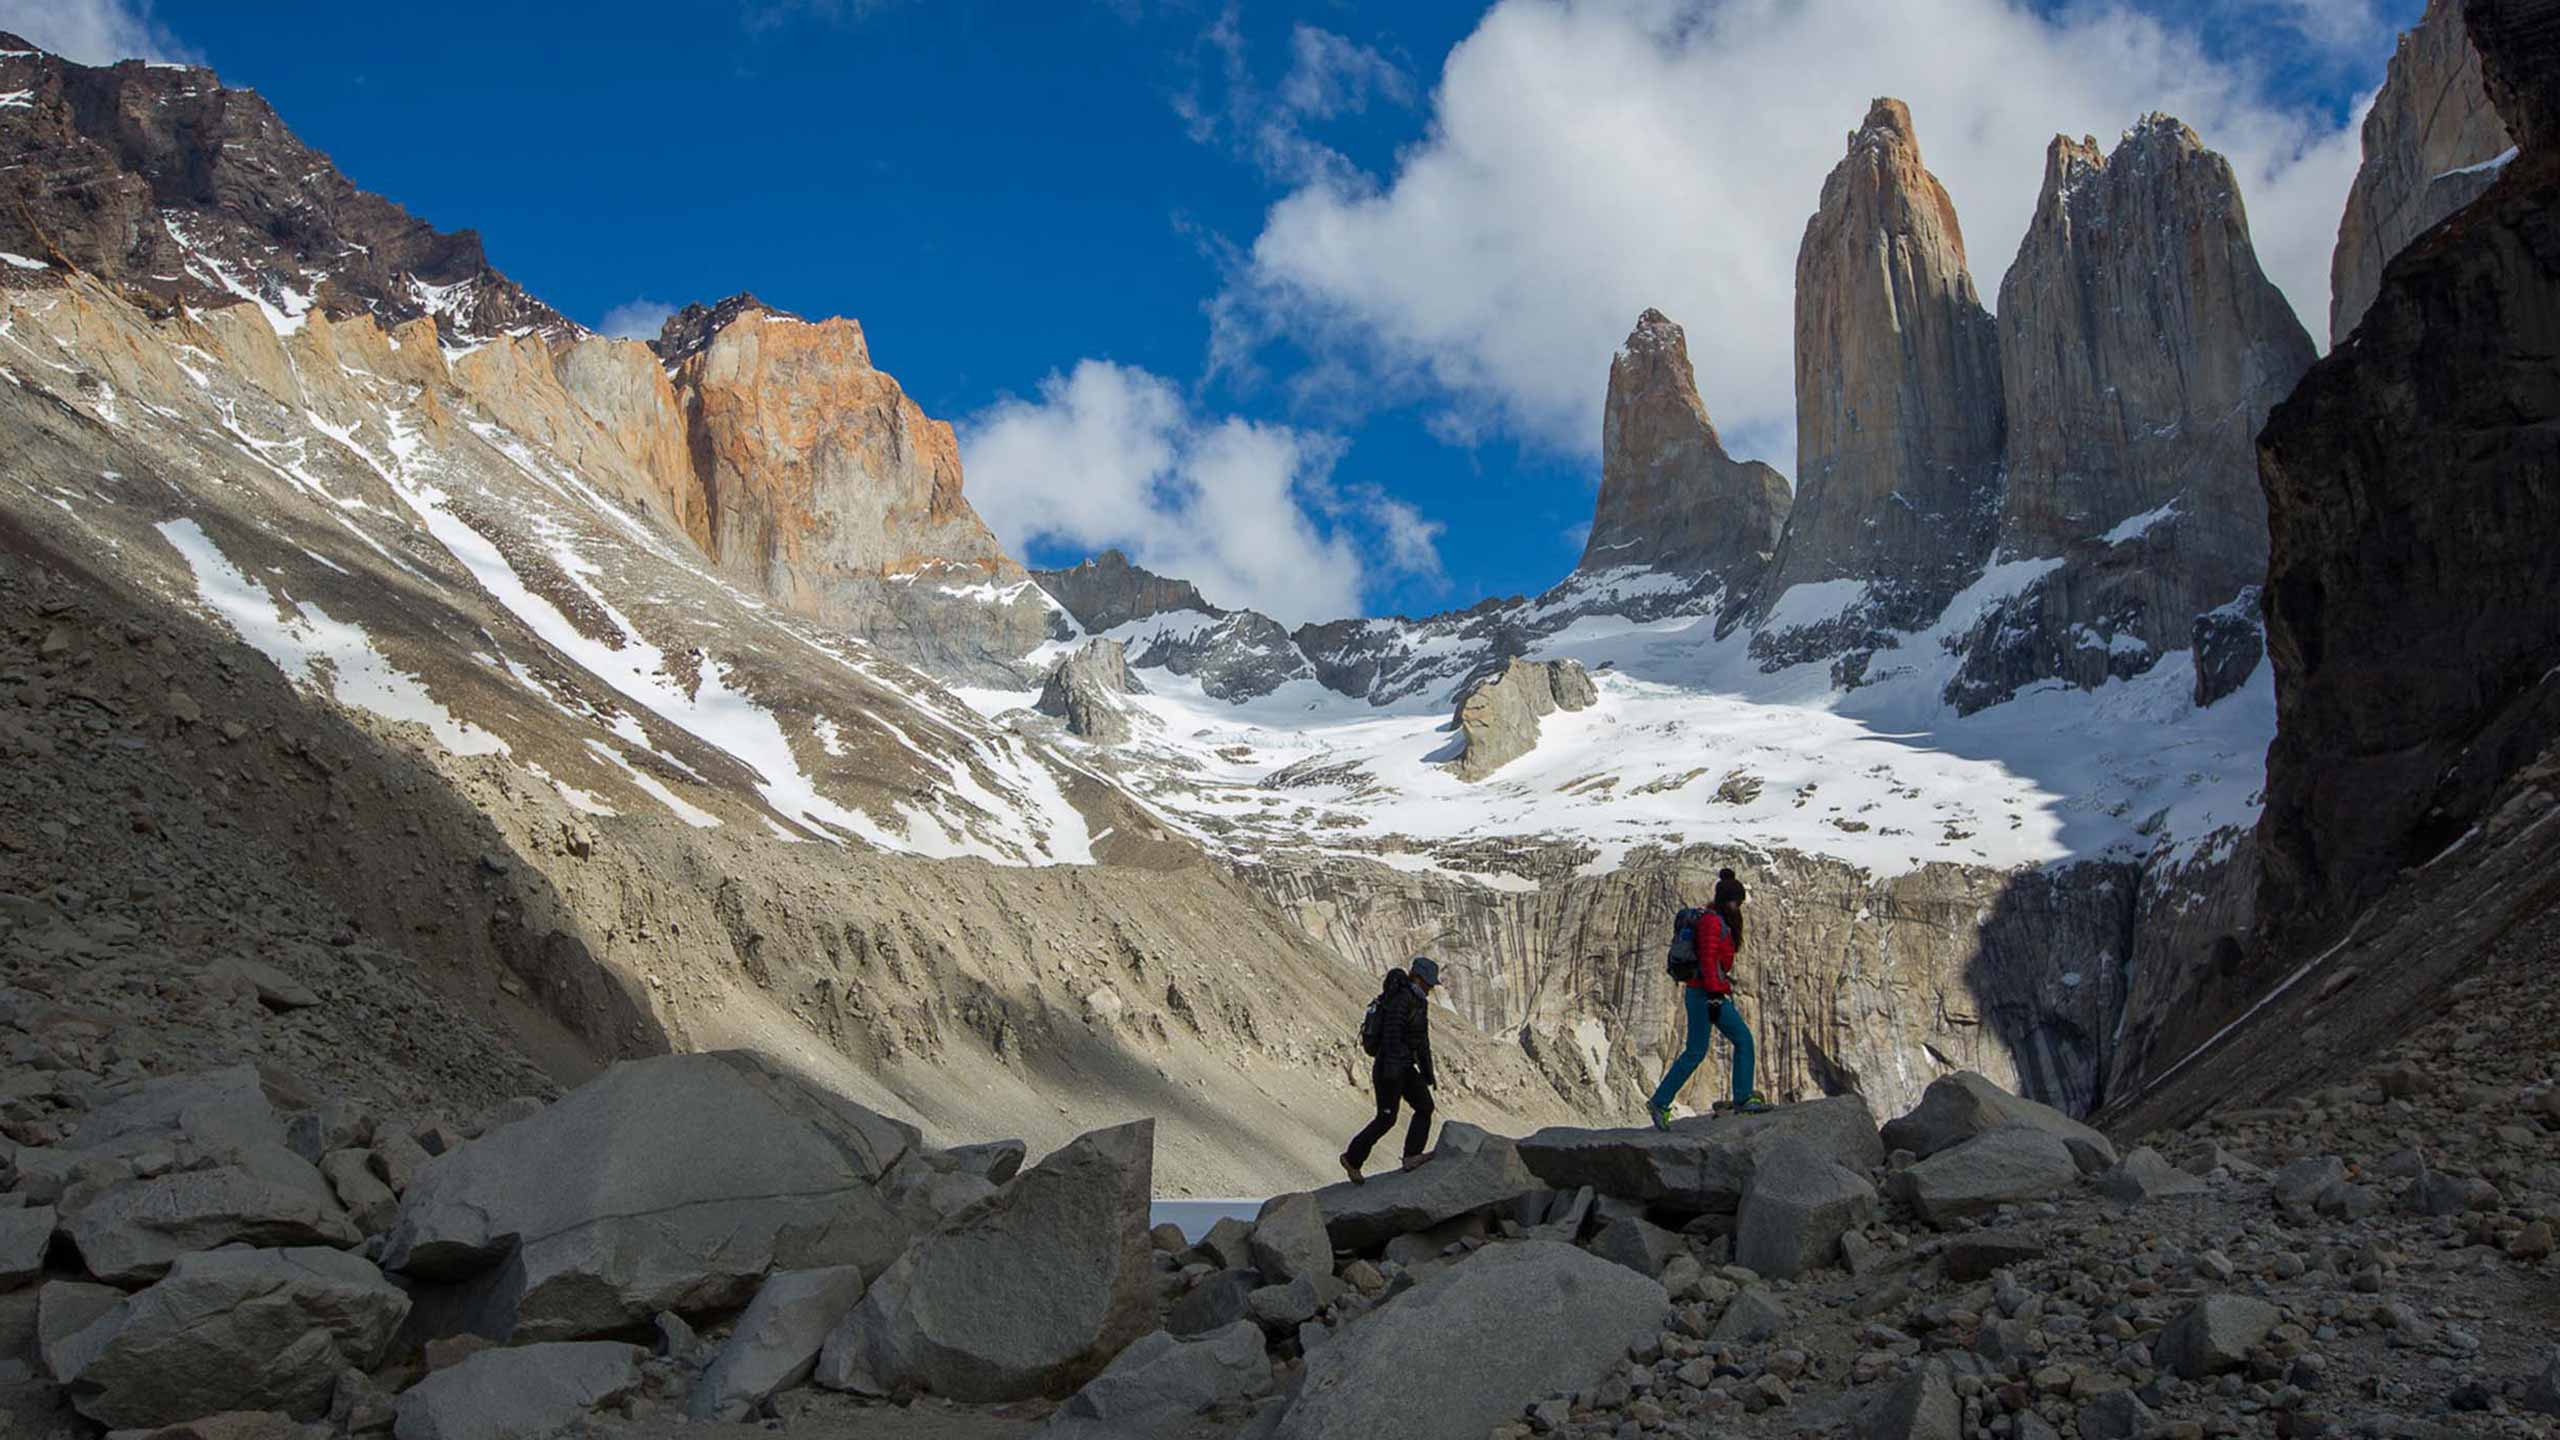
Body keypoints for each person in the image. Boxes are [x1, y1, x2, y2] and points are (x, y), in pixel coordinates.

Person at [1646, 877, 1766, 1128]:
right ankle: (1743, 1098)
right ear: (1730, 902)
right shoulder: (1712, 922)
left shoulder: (1714, 918)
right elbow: (1708, 959)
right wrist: (1713, 995)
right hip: (1707, 994)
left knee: (1695, 1051)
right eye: (1737, 902)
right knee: (1743, 1040)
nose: (1738, 907)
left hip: (1700, 992)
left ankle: (1660, 1101)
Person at [1341, 956, 1440, 1183]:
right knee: (1386, 1118)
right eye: (1428, 983)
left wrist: (1427, 1073)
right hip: (1389, 1069)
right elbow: (1391, 1036)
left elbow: (1422, 1041)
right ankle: (1352, 1159)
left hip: (1403, 1067)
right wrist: (1395, 1069)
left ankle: (1412, 1156)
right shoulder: (1401, 999)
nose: (1430, 988)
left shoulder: (1419, 1002)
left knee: (1425, 1106)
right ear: (1418, 978)